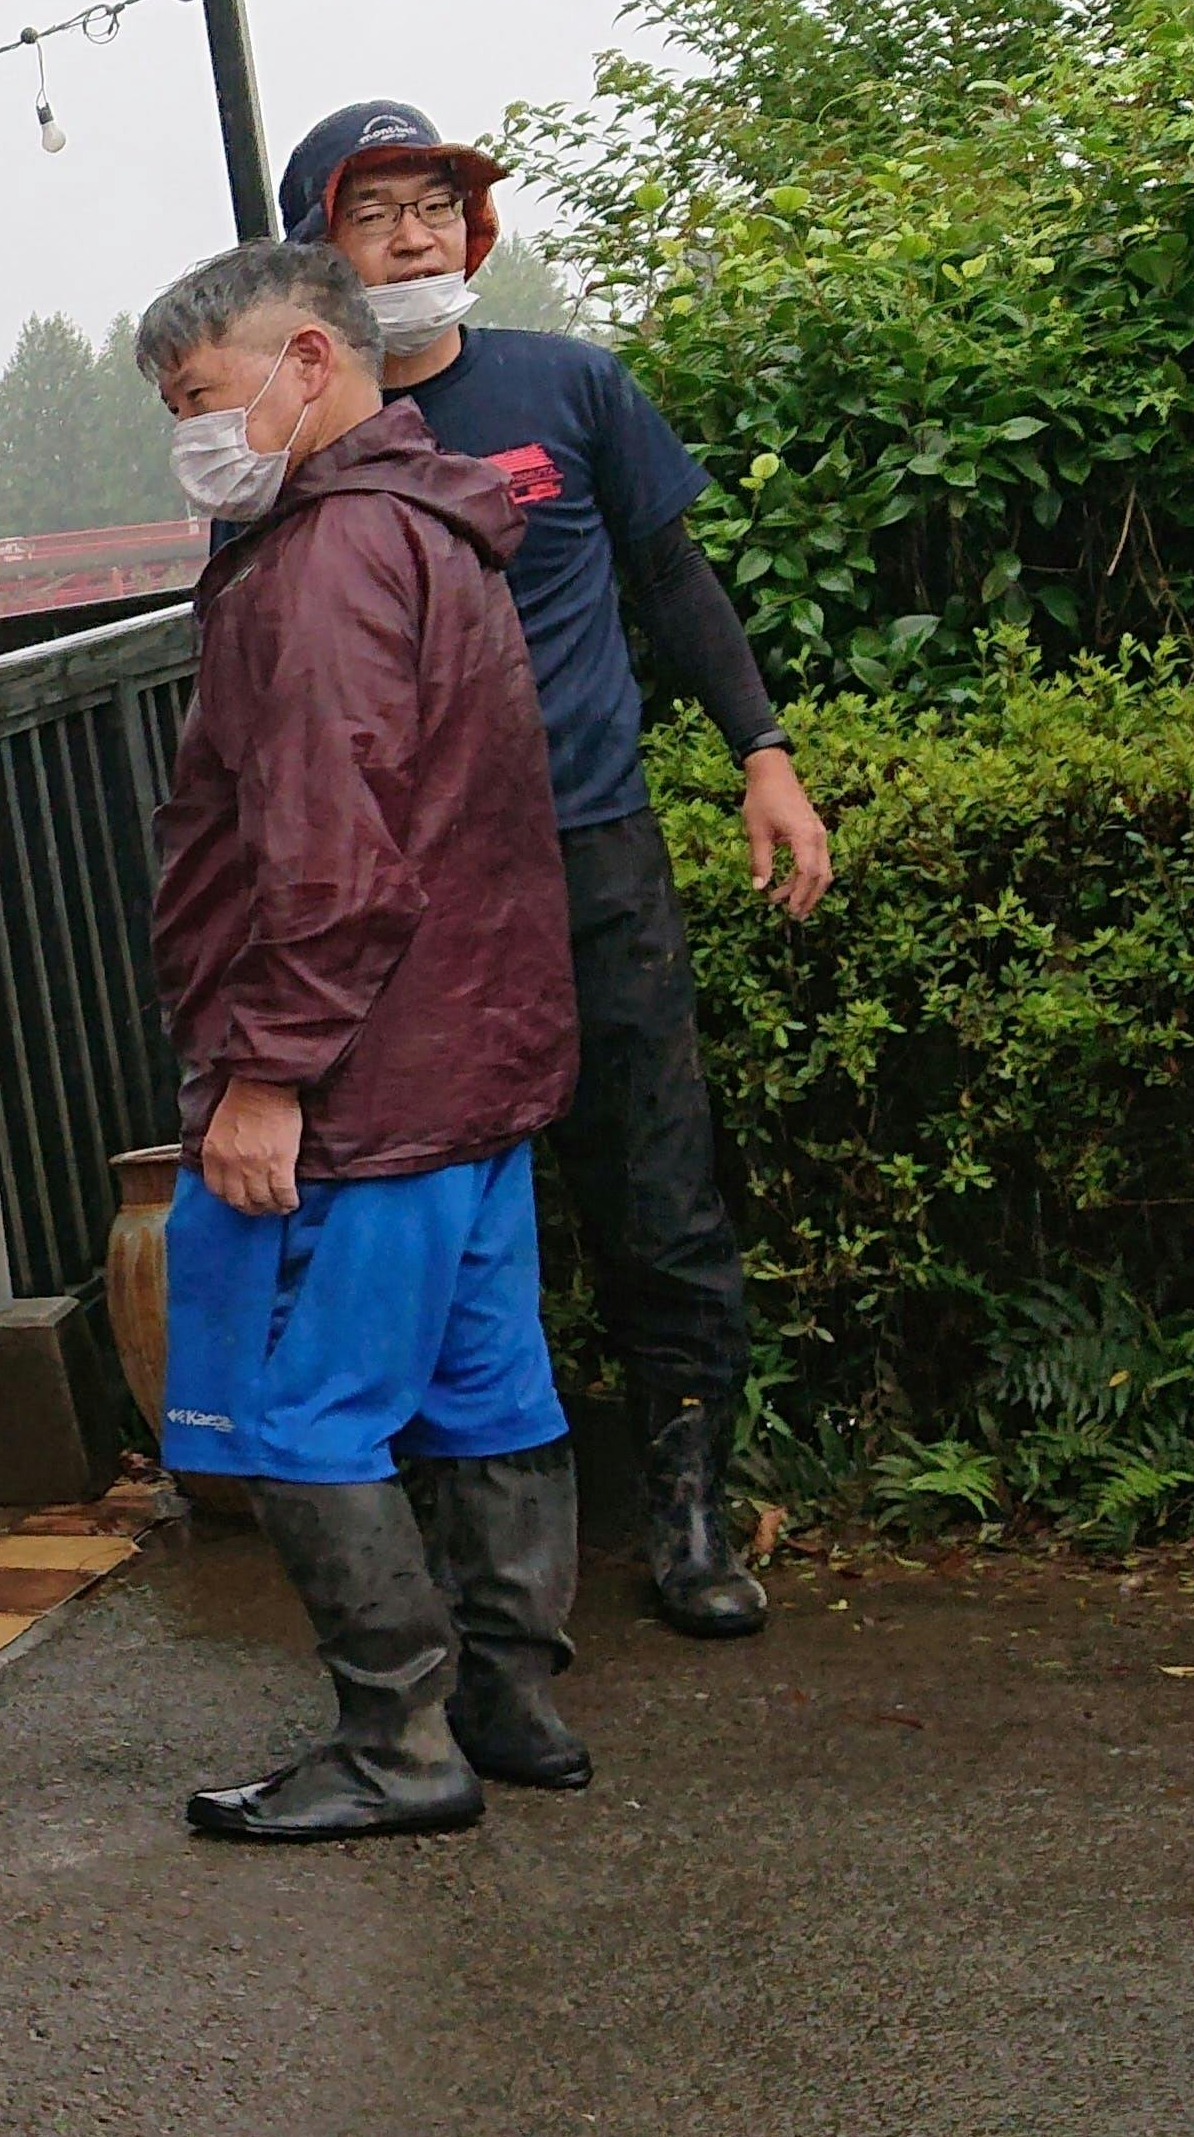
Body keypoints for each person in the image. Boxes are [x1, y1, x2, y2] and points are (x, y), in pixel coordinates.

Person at [283, 100, 833, 1642]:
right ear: (313, 252)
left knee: (657, 1184)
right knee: (441, 1208)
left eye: (436, 205)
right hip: (408, 895)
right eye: (374, 210)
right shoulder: (298, 434)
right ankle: (473, 1540)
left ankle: (689, 1511)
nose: (412, 235)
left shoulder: (568, 387)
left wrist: (765, 756)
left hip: (593, 851)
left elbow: (673, 579)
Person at [136, 243, 586, 1842]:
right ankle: (509, 1698)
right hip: (480, 1060)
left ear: (306, 362)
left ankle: (398, 1743)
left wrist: (266, 1074)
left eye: (198, 396)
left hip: (369, 1080)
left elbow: (330, 850)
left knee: (306, 1405)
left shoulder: (323, 560)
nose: (191, 431)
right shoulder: (439, 526)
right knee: (487, 1389)